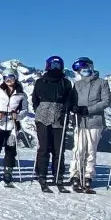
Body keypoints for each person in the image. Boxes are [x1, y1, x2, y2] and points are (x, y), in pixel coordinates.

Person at [29, 56, 75, 191]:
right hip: (43, 117)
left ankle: (58, 174)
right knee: (44, 147)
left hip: (60, 117)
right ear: (48, 66)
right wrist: (40, 110)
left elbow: (69, 99)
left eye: (57, 65)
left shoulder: (65, 83)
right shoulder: (40, 82)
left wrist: (66, 108)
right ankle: (41, 174)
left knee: (58, 149)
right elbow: (35, 99)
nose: (55, 68)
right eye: (53, 65)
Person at [68, 57, 111, 193]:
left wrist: (88, 110)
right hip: (80, 121)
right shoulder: (77, 84)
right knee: (78, 149)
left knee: (91, 150)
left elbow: (106, 101)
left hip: (95, 121)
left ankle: (88, 175)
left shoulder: (101, 83)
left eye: (85, 68)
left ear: (91, 67)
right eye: (80, 69)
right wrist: (73, 108)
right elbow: (72, 101)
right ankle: (75, 175)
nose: (83, 71)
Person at [0, 69, 29, 186]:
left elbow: (25, 109)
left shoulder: (21, 94)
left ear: (15, 78)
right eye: (6, 78)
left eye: (11, 77)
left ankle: (8, 171)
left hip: (12, 124)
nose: (8, 80)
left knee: (10, 149)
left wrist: (18, 116)